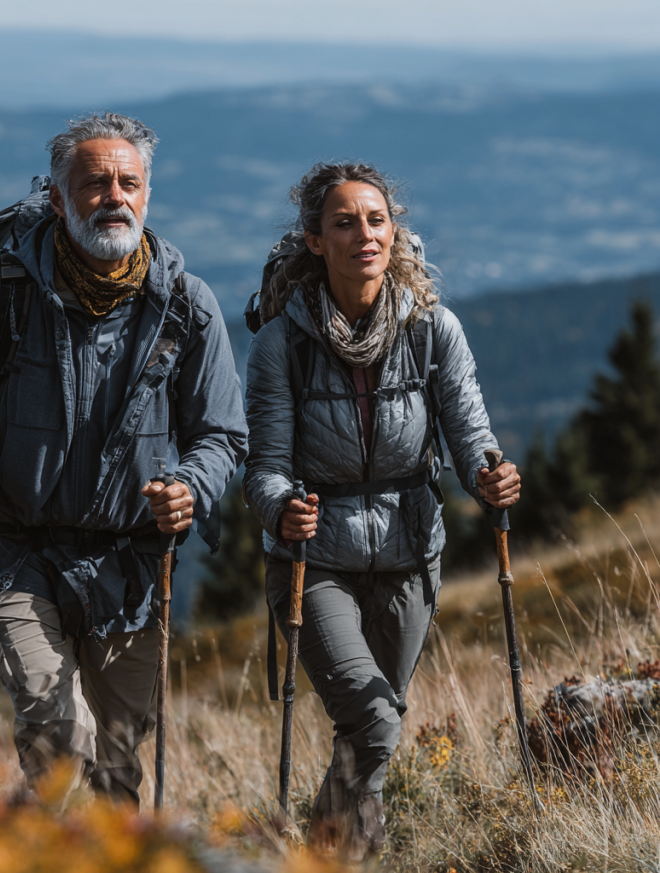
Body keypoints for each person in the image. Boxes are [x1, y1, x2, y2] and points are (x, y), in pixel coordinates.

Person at [0, 112, 248, 803]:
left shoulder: (186, 305)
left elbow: (222, 434)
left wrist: (191, 487)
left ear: (147, 194)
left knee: (118, 768)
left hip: (130, 565)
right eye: (93, 182)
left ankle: (45, 844)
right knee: (59, 735)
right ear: (58, 198)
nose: (113, 195)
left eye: (128, 181)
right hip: (16, 552)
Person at [243, 162, 520, 858]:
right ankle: (332, 852)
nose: (363, 233)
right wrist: (279, 507)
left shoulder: (431, 331)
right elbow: (265, 466)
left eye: (375, 219)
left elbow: (469, 433)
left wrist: (489, 477)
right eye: (343, 222)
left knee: (374, 724)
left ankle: (335, 850)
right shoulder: (282, 343)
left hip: (408, 551)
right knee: (372, 721)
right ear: (314, 240)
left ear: (393, 231)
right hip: (314, 560)